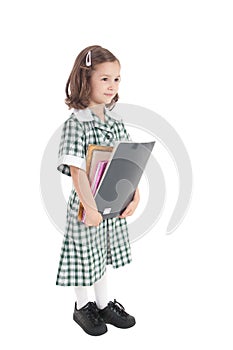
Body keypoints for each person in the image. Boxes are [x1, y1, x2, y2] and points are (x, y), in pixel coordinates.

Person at [56, 45, 140, 336]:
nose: (112, 85)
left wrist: (134, 193)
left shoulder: (115, 123)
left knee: (101, 254)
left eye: (116, 79)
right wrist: (89, 207)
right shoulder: (77, 124)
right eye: (104, 79)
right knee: (83, 255)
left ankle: (104, 303)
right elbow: (77, 170)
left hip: (110, 201)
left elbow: (128, 159)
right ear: (85, 79)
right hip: (86, 205)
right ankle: (83, 306)